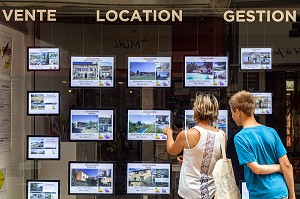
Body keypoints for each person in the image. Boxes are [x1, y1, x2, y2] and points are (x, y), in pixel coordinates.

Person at [229, 90, 295, 199]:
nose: (231, 116)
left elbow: (257, 169)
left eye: (231, 112)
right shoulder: (271, 132)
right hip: (280, 191)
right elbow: (287, 165)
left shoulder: (240, 137)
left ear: (237, 112)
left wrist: (279, 167)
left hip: (261, 194)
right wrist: (292, 195)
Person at [163, 93, 224, 199]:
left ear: (196, 109)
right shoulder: (222, 135)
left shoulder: (187, 134)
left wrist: (169, 133)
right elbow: (215, 159)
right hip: (211, 192)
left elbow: (171, 150)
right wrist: (188, 158)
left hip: (189, 192)